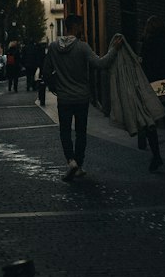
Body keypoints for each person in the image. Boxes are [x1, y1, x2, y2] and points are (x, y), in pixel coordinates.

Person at [42, 14, 122, 180]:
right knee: (80, 132)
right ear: (75, 27)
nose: (82, 29)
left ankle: (71, 161)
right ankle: (78, 164)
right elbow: (101, 64)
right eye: (80, 26)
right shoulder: (83, 47)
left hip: (64, 98)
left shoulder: (54, 47)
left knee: (64, 131)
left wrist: (55, 87)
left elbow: (46, 71)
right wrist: (114, 49)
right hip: (81, 97)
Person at [139, 16, 165, 171]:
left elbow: (144, 66)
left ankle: (156, 157)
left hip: (152, 87)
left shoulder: (147, 43)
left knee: (151, 124)